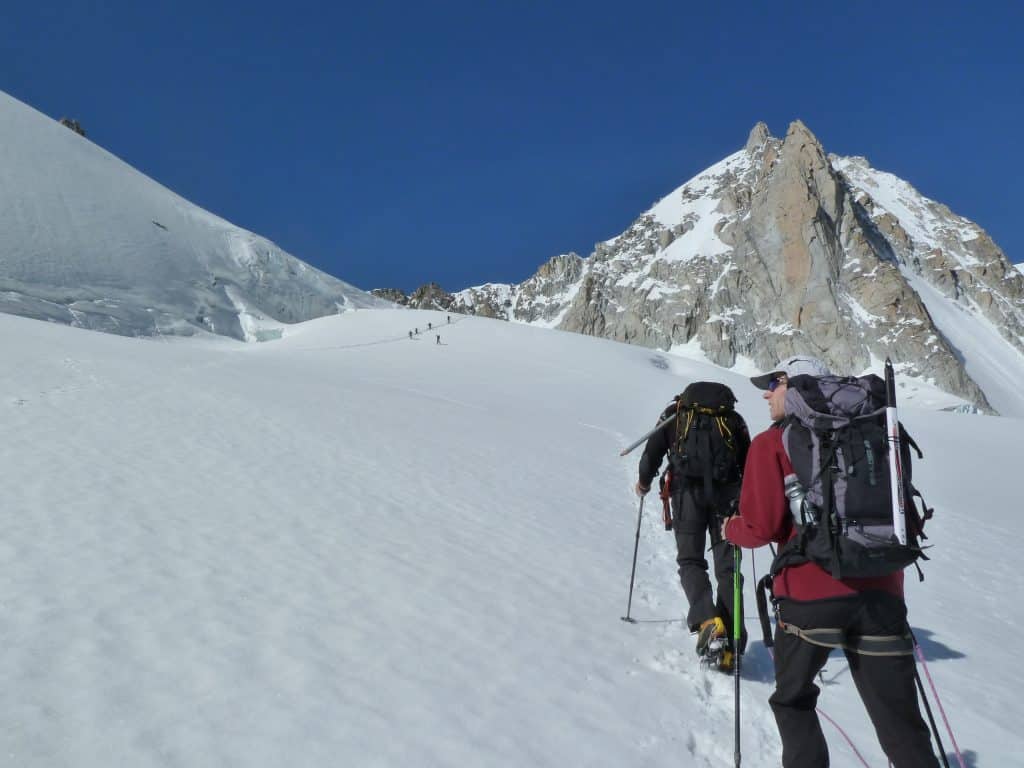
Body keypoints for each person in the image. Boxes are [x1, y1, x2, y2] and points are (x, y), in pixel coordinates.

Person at [722, 356, 938, 768]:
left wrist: (729, 528)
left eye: (775, 382)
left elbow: (760, 527)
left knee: (794, 700)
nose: (767, 393)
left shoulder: (773, 442)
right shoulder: (881, 429)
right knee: (900, 723)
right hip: (883, 592)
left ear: (800, 385)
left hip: (808, 598)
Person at [636, 381, 750, 670]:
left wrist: (644, 482)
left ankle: (708, 622)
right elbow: (748, 462)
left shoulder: (676, 414)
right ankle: (732, 641)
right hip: (728, 498)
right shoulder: (732, 419)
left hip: (686, 495)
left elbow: (652, 451)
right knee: (729, 567)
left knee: (690, 560)